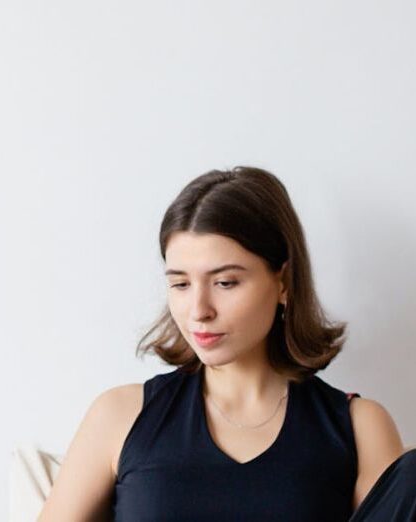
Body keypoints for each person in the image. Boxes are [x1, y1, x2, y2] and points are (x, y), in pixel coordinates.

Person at [37, 166, 415, 521]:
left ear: (283, 282)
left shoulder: (359, 427)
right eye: (181, 284)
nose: (198, 310)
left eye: (225, 282)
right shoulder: (119, 416)